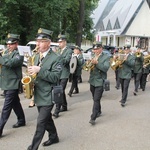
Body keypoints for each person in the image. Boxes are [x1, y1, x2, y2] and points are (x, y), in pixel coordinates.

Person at [27, 28, 62, 150]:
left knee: (40, 122)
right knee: (47, 119)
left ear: (48, 43)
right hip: (38, 94)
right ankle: (54, 137)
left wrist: (40, 70)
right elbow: (34, 74)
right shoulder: (36, 55)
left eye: (41, 41)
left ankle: (33, 147)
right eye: (37, 41)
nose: (37, 44)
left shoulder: (56, 58)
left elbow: (55, 77)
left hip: (48, 95)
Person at [0, 33, 26, 137]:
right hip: (7, 83)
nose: (9, 46)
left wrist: (1, 58)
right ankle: (21, 120)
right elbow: (5, 62)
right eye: (8, 44)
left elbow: (10, 63)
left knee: (6, 107)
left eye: (11, 44)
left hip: (13, 83)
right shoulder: (6, 52)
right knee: (15, 103)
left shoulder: (19, 54)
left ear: (16, 44)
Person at [88, 42, 110, 125]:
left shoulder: (106, 57)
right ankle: (99, 110)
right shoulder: (93, 56)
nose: (95, 51)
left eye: (97, 49)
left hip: (100, 80)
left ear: (101, 48)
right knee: (95, 98)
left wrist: (97, 63)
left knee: (96, 99)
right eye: (94, 49)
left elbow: (105, 68)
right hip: (92, 80)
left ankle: (93, 117)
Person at [53, 35, 72, 118]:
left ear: (65, 42)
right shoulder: (58, 51)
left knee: (59, 91)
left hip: (64, 73)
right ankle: (64, 106)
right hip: (58, 73)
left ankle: (57, 110)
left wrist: (58, 56)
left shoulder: (68, 51)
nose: (59, 44)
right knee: (61, 90)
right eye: (59, 42)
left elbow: (66, 61)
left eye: (61, 42)